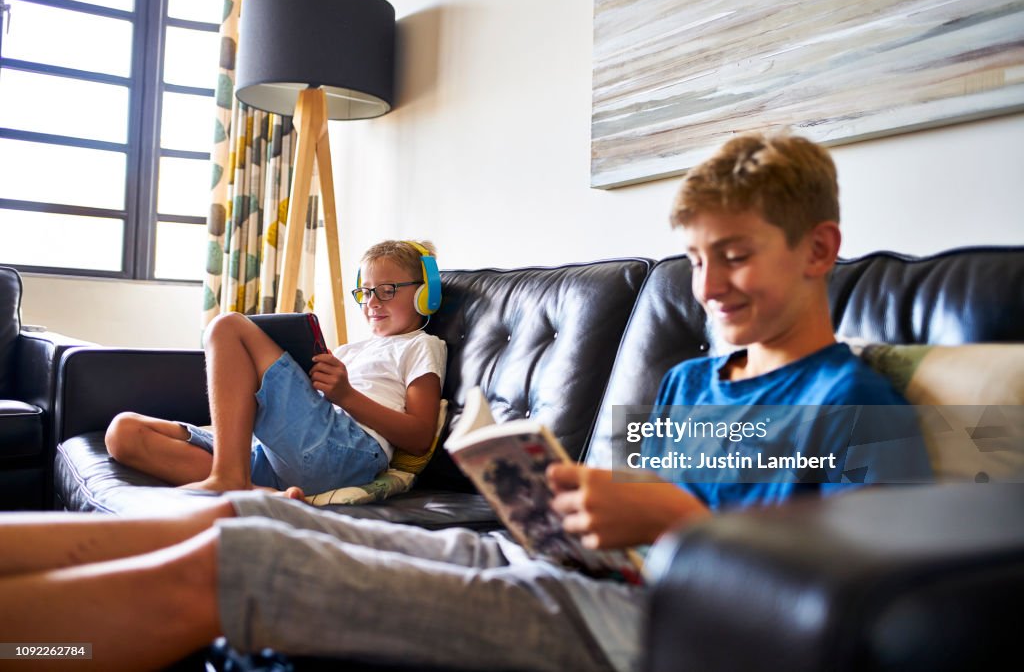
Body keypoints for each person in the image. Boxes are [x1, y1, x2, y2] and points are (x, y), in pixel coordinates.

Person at [0, 132, 924, 671]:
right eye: (695, 258)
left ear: (817, 248)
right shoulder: (688, 383)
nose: (709, 285)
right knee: (240, 510)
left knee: (236, 562)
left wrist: (678, 518)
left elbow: (862, 615)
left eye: (737, 253)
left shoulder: (853, 402)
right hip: (561, 569)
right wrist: (559, 506)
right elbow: (617, 518)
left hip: (635, 630)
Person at [104, 239, 447, 497]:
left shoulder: (420, 345)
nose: (372, 303)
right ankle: (256, 490)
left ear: (425, 294)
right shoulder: (351, 349)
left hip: (347, 453)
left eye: (387, 291)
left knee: (227, 327)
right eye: (366, 291)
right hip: (287, 456)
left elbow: (418, 438)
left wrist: (345, 395)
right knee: (124, 433)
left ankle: (228, 478)